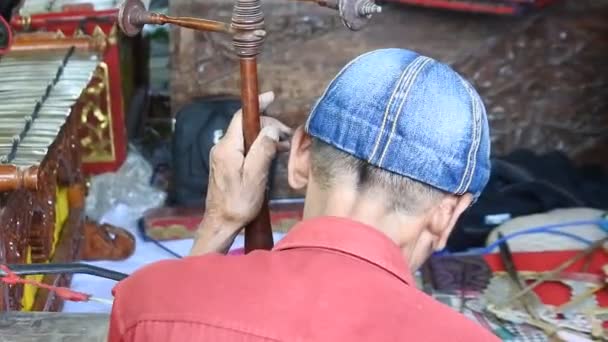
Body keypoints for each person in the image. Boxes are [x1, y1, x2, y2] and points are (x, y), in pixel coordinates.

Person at [108, 48, 498, 342]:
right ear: (447, 214)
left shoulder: (146, 303)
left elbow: (181, 312)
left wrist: (220, 222)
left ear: (300, 154)